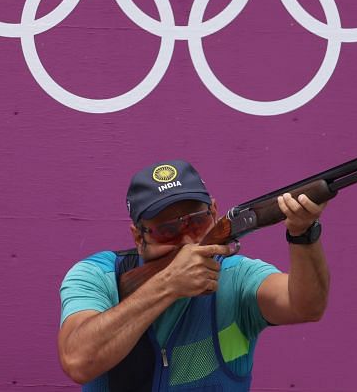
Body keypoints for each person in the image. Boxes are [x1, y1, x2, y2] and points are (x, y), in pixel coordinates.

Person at [58, 159, 330, 391]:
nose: (188, 241)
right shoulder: (98, 275)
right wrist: (168, 285)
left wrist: (303, 233)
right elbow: (78, 361)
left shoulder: (237, 275)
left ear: (214, 212)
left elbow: (306, 306)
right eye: (168, 230)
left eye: (197, 222)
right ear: (138, 237)